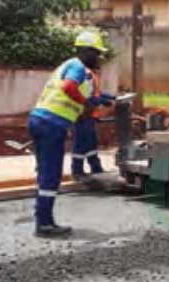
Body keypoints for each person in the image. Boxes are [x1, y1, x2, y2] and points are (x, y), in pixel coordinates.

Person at [29, 31, 108, 237]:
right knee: (51, 174)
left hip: (39, 119)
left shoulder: (66, 64)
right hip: (52, 124)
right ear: (87, 51)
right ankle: (44, 224)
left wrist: (83, 109)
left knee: (44, 170)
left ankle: (41, 217)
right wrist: (85, 104)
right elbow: (69, 87)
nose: (98, 57)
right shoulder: (78, 67)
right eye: (96, 53)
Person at [71, 66, 115, 179]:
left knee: (91, 143)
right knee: (80, 144)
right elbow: (87, 97)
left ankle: (96, 168)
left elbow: (96, 93)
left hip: (89, 116)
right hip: (82, 115)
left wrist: (115, 97)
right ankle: (77, 171)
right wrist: (104, 102)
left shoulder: (91, 75)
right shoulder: (85, 75)